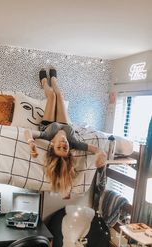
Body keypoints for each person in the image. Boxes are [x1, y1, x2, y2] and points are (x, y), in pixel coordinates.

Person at [24, 68, 106, 197]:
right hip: (66, 126)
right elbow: (97, 150)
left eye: (59, 147)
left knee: (51, 96)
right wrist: (100, 155)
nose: (63, 143)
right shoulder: (73, 142)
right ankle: (54, 80)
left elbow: (28, 132)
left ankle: (44, 82)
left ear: (52, 144)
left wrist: (31, 143)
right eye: (65, 148)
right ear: (69, 148)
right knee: (60, 95)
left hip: (49, 125)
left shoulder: (48, 136)